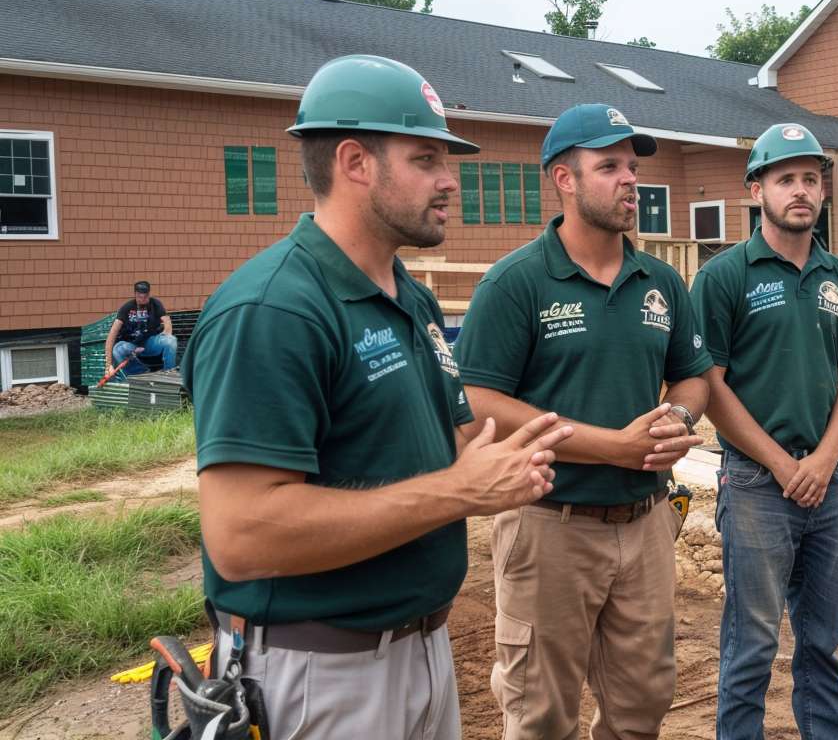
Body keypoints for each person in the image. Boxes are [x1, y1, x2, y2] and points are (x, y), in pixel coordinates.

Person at [181, 54, 571, 739]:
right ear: (356, 162)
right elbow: (241, 536)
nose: (450, 181)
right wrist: (461, 491)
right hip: (321, 674)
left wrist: (512, 461)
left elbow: (449, 446)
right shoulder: (274, 310)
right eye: (425, 159)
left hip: (422, 653)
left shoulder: (409, 296)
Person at [452, 102, 713, 739]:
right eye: (610, 166)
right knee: (541, 713)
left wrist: (677, 416)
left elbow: (695, 374)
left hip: (646, 525)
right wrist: (611, 447)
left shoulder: (660, 280)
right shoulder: (518, 283)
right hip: (549, 527)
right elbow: (476, 403)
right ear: (564, 180)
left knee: (641, 707)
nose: (631, 181)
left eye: (632, 167)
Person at [690, 123, 838, 739]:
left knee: (824, 645)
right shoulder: (724, 278)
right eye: (785, 179)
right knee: (751, 648)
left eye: (811, 180)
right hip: (753, 485)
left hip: (827, 485)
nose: (802, 191)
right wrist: (779, 463)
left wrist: (824, 460)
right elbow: (710, 386)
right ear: (755, 190)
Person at [105, 280, 176, 377]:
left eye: (145, 296)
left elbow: (167, 322)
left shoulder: (156, 304)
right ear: (135, 294)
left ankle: (170, 372)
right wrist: (108, 366)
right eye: (139, 296)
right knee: (118, 349)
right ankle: (140, 372)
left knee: (171, 340)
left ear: (149, 294)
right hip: (132, 346)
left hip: (150, 343)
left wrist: (166, 332)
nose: (142, 299)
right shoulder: (127, 308)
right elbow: (112, 335)